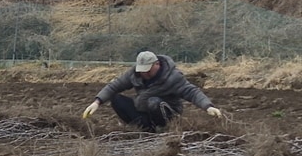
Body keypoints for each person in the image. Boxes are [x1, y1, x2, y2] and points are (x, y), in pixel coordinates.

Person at [82, 51, 223, 131]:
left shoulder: (172, 77)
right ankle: (144, 128)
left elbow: (192, 92)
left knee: (153, 102)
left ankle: (163, 129)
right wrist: (97, 102)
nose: (145, 74)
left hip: (167, 113)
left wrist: (208, 106)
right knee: (117, 99)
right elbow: (114, 86)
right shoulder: (134, 74)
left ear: (157, 64)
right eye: (142, 71)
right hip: (142, 109)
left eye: (148, 70)